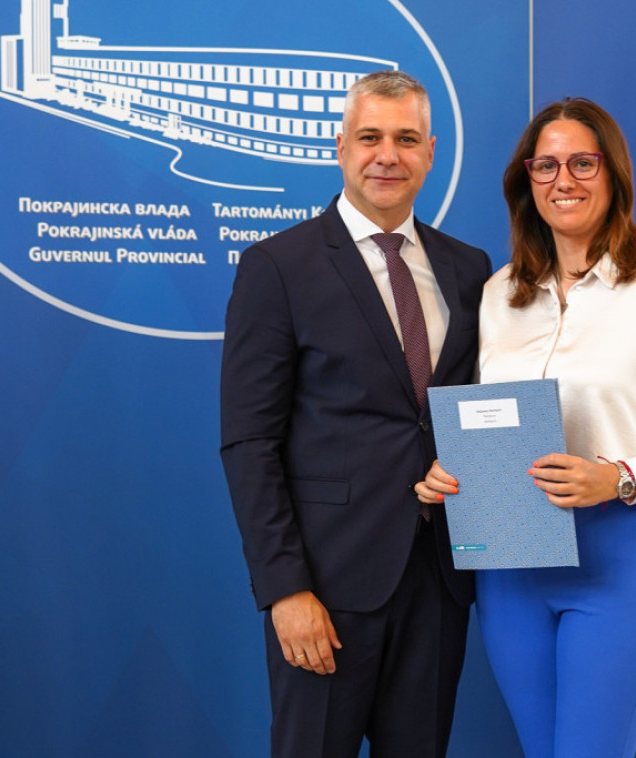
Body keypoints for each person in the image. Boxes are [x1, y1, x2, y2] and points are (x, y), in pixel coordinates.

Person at [418, 97, 636, 757]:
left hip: (618, 554)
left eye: (582, 163)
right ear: (527, 182)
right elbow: (480, 421)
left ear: (613, 174)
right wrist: (451, 472)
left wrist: (618, 477)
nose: (563, 180)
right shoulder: (498, 294)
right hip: (510, 561)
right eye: (546, 166)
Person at [220, 70, 492, 758]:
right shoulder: (278, 266)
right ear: (340, 147)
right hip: (326, 587)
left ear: (431, 151)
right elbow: (249, 442)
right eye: (370, 137)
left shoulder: (469, 269)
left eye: (406, 139)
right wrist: (286, 590)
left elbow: (472, 411)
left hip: (439, 581)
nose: (387, 156)